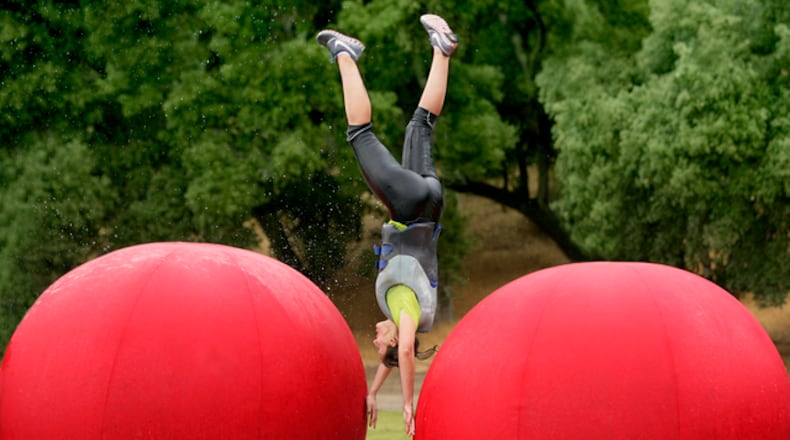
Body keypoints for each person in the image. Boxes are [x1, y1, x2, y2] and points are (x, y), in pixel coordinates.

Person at [316, 13, 458, 437]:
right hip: (409, 206)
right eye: (381, 344)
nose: (375, 341)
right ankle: (346, 55)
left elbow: (394, 355)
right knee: (360, 134)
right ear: (395, 339)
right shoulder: (403, 310)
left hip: (431, 204)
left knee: (420, 125)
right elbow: (406, 349)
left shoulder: (405, 311)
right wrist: (409, 403)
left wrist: (375, 391)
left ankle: (441, 49)